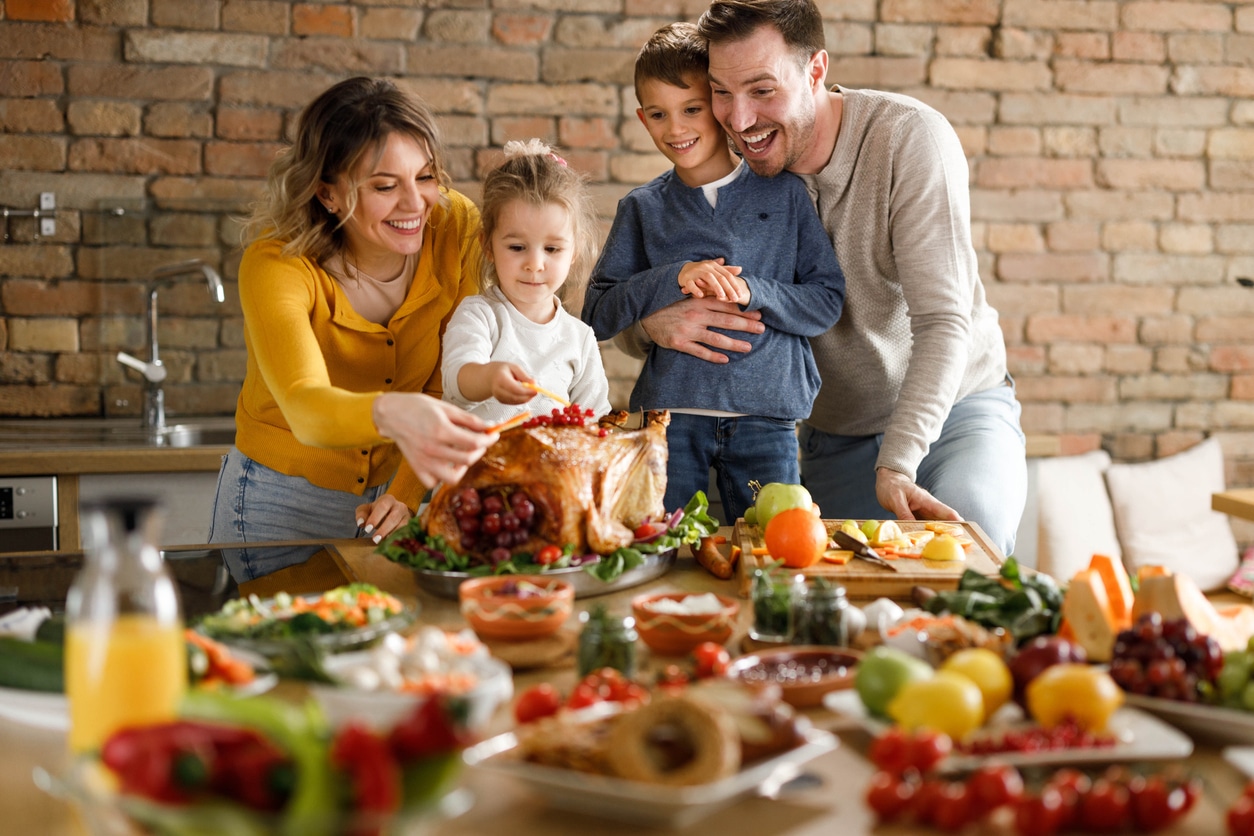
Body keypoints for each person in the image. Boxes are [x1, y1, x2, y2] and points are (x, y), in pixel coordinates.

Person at [632, 0, 1027, 555]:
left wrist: (899, 459)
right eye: (722, 91)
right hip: (830, 434)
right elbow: (636, 302)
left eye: (762, 90)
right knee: (789, 586)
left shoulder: (907, 140)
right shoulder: (718, 167)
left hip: (954, 416)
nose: (739, 120)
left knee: (971, 545)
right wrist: (653, 324)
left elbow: (942, 321)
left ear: (816, 71)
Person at [209, 76, 496, 581]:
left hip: (400, 499)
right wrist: (393, 413)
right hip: (281, 507)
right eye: (385, 186)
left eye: (426, 177)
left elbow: (446, 379)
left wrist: (406, 493)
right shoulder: (276, 264)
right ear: (328, 193)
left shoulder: (456, 228)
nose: (416, 204)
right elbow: (305, 404)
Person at [582, 22, 845, 524]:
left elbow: (826, 300)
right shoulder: (641, 209)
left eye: (692, 109)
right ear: (642, 118)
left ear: (721, 107)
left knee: (774, 547)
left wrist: (752, 290)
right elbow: (596, 314)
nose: (675, 129)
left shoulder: (785, 193)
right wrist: (674, 277)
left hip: (767, 421)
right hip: (670, 421)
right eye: (658, 114)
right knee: (662, 544)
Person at [442, 139, 611, 424]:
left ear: (574, 253)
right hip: (481, 465)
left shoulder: (579, 339)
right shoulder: (480, 316)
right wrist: (489, 378)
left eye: (552, 249)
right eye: (517, 247)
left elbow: (594, 421)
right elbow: (457, 380)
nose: (535, 264)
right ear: (488, 246)